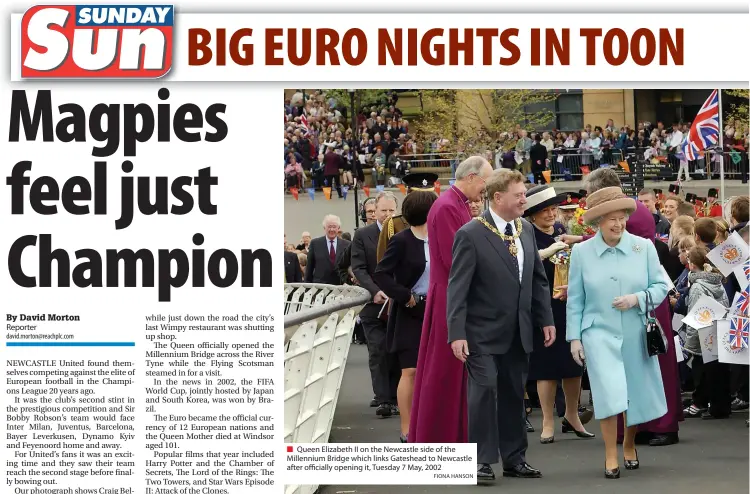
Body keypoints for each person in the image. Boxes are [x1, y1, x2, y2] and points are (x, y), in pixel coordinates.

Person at [447, 169, 555, 481]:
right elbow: (458, 288)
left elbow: (537, 280)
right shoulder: (470, 234)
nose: (525, 199)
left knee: (512, 393)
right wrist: (456, 333)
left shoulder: (526, 230)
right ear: (498, 197)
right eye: (519, 195)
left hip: (519, 331)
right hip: (480, 333)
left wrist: (544, 318)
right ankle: (480, 461)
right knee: (483, 393)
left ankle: (514, 458)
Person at [566, 186, 669, 479]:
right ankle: (610, 453)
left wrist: (636, 299)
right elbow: (576, 298)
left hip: (635, 330)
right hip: (597, 332)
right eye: (610, 218)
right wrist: (574, 337)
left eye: (621, 216)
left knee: (633, 393)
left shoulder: (643, 247)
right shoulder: (582, 252)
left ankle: (629, 443)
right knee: (609, 392)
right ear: (598, 221)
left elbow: (662, 287)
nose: (617, 223)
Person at [409, 156, 494, 444]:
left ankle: (456, 435)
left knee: (455, 371)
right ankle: (442, 436)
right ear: (471, 177)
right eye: (485, 181)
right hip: (451, 295)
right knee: (445, 371)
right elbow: (453, 258)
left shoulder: (455, 204)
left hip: (454, 292)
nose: (486, 189)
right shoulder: (447, 206)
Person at [523, 185, 595, 444]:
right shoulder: (526, 235)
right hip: (541, 305)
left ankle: (572, 415)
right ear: (532, 214)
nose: (551, 214)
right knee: (546, 367)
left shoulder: (564, 232)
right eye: (545, 210)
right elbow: (523, 265)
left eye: (553, 209)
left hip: (568, 302)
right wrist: (547, 253)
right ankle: (547, 421)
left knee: (573, 364)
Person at [373, 191, 438, 443]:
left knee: (434, 370)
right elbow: (382, 273)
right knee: (410, 370)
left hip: (437, 310)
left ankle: (431, 422)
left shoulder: (442, 238)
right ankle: (407, 427)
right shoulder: (401, 240)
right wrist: (404, 295)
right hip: (411, 311)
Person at [351, 193, 400, 417]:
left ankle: (397, 396)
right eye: (383, 211)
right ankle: (383, 399)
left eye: (391, 211)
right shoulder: (362, 235)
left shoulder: (403, 231)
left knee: (396, 351)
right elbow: (359, 268)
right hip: (374, 305)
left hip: (399, 304)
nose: (388, 215)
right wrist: (375, 291)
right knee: (378, 350)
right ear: (375, 210)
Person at [682, 246, 731, 419]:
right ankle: (714, 404)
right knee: (718, 371)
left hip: (703, 332)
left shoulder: (697, 286)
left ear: (693, 264)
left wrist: (691, 343)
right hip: (718, 328)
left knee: (704, 372)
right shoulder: (717, 282)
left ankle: (704, 404)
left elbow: (695, 313)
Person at [376, 172, 439, 261]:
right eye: (421, 198)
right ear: (409, 197)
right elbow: (383, 262)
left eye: (430, 198)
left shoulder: (442, 221)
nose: (426, 202)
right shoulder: (394, 224)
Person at [304, 215, 350, 285]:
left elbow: (349, 267)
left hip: (341, 287)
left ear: (339, 228)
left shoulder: (347, 245)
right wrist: (307, 286)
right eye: (329, 227)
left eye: (334, 227)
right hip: (320, 287)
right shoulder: (315, 243)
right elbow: (309, 268)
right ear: (324, 228)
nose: (331, 229)